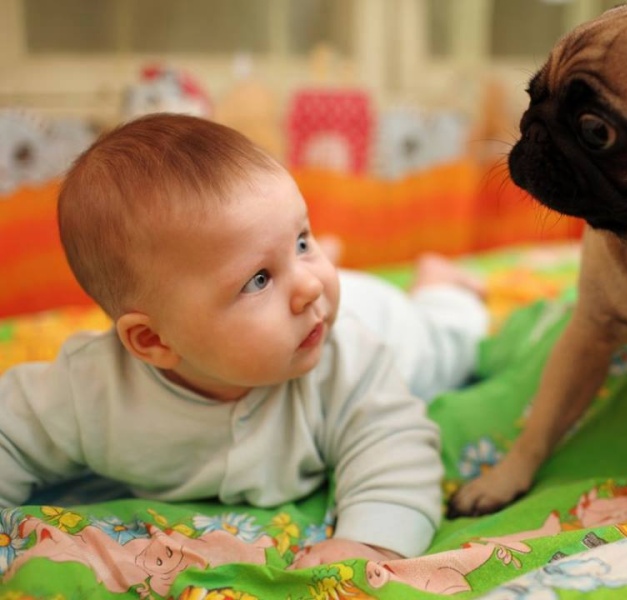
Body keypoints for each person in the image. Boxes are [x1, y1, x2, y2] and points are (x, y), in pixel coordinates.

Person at [0, 113, 488, 568]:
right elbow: (10, 431)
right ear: (151, 339)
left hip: (383, 320)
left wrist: (366, 541)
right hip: (316, 321)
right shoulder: (92, 391)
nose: (311, 284)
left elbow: (395, 445)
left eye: (303, 238)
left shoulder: (346, 359)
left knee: (454, 340)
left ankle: (440, 285)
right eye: (257, 279)